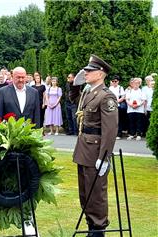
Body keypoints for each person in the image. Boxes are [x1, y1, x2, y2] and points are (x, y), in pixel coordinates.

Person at [73, 54, 118, 237]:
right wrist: (75, 83)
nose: (86, 73)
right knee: (85, 193)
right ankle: (91, 225)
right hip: (84, 149)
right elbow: (73, 100)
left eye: (90, 71)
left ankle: (98, 229)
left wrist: (104, 157)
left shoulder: (106, 97)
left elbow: (110, 130)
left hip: (95, 152)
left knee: (96, 194)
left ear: (100, 74)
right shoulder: (89, 92)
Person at [108, 75, 127, 139]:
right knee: (111, 120)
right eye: (112, 81)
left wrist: (117, 101)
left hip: (118, 105)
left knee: (118, 120)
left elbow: (123, 96)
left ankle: (119, 134)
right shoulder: (110, 88)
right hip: (111, 105)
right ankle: (112, 133)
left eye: (115, 81)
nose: (114, 82)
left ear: (118, 81)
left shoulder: (120, 88)